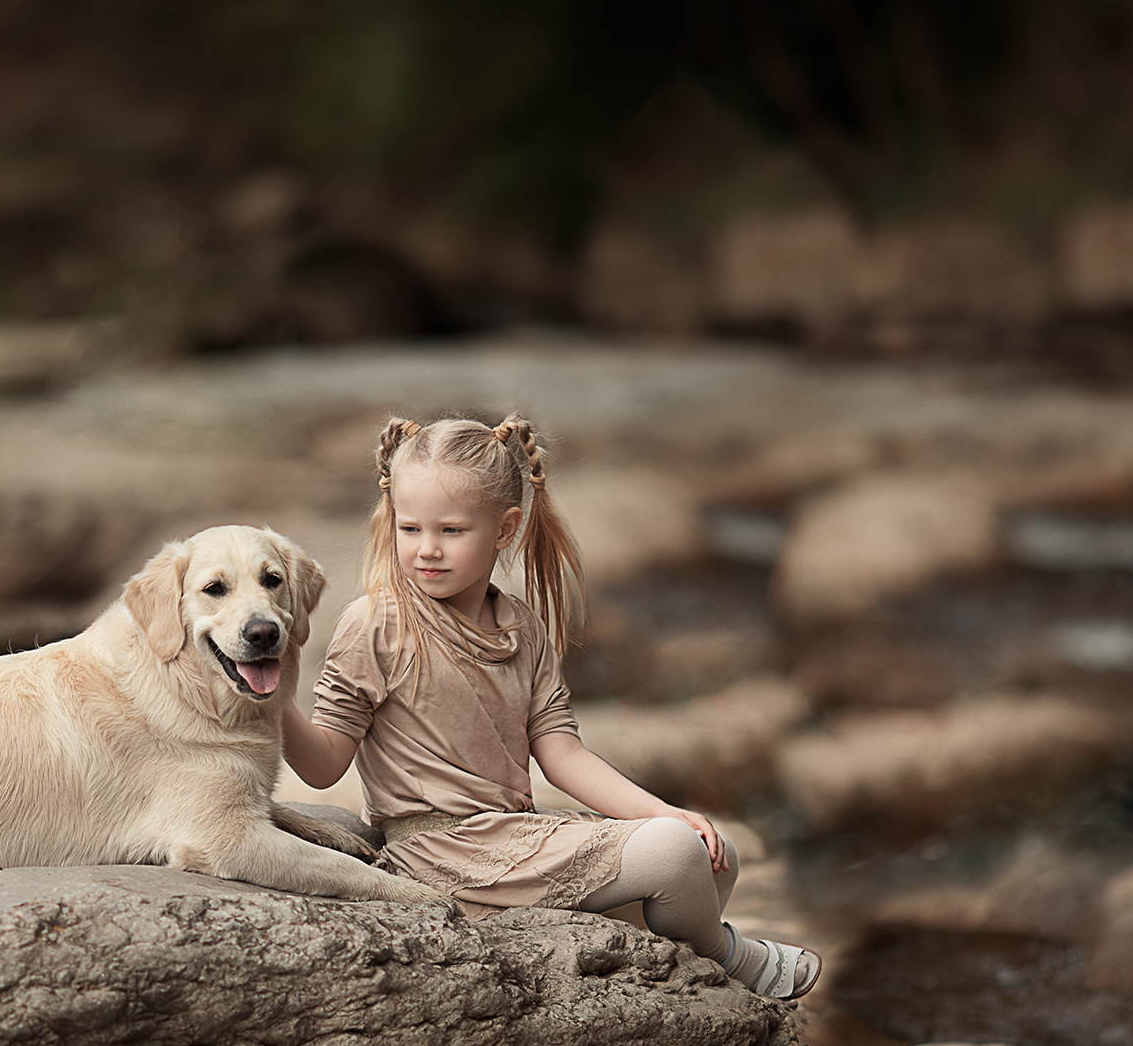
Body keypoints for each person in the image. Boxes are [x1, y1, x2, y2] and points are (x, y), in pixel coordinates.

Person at [282, 414, 820, 1000]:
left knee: (717, 854)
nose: (426, 549)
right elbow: (323, 765)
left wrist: (662, 810)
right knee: (674, 853)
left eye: (451, 531)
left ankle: (671, 948)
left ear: (505, 528)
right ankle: (725, 955)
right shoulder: (376, 623)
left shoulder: (522, 627)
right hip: (441, 855)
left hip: (513, 837)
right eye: (409, 528)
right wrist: (272, 696)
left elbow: (563, 754)